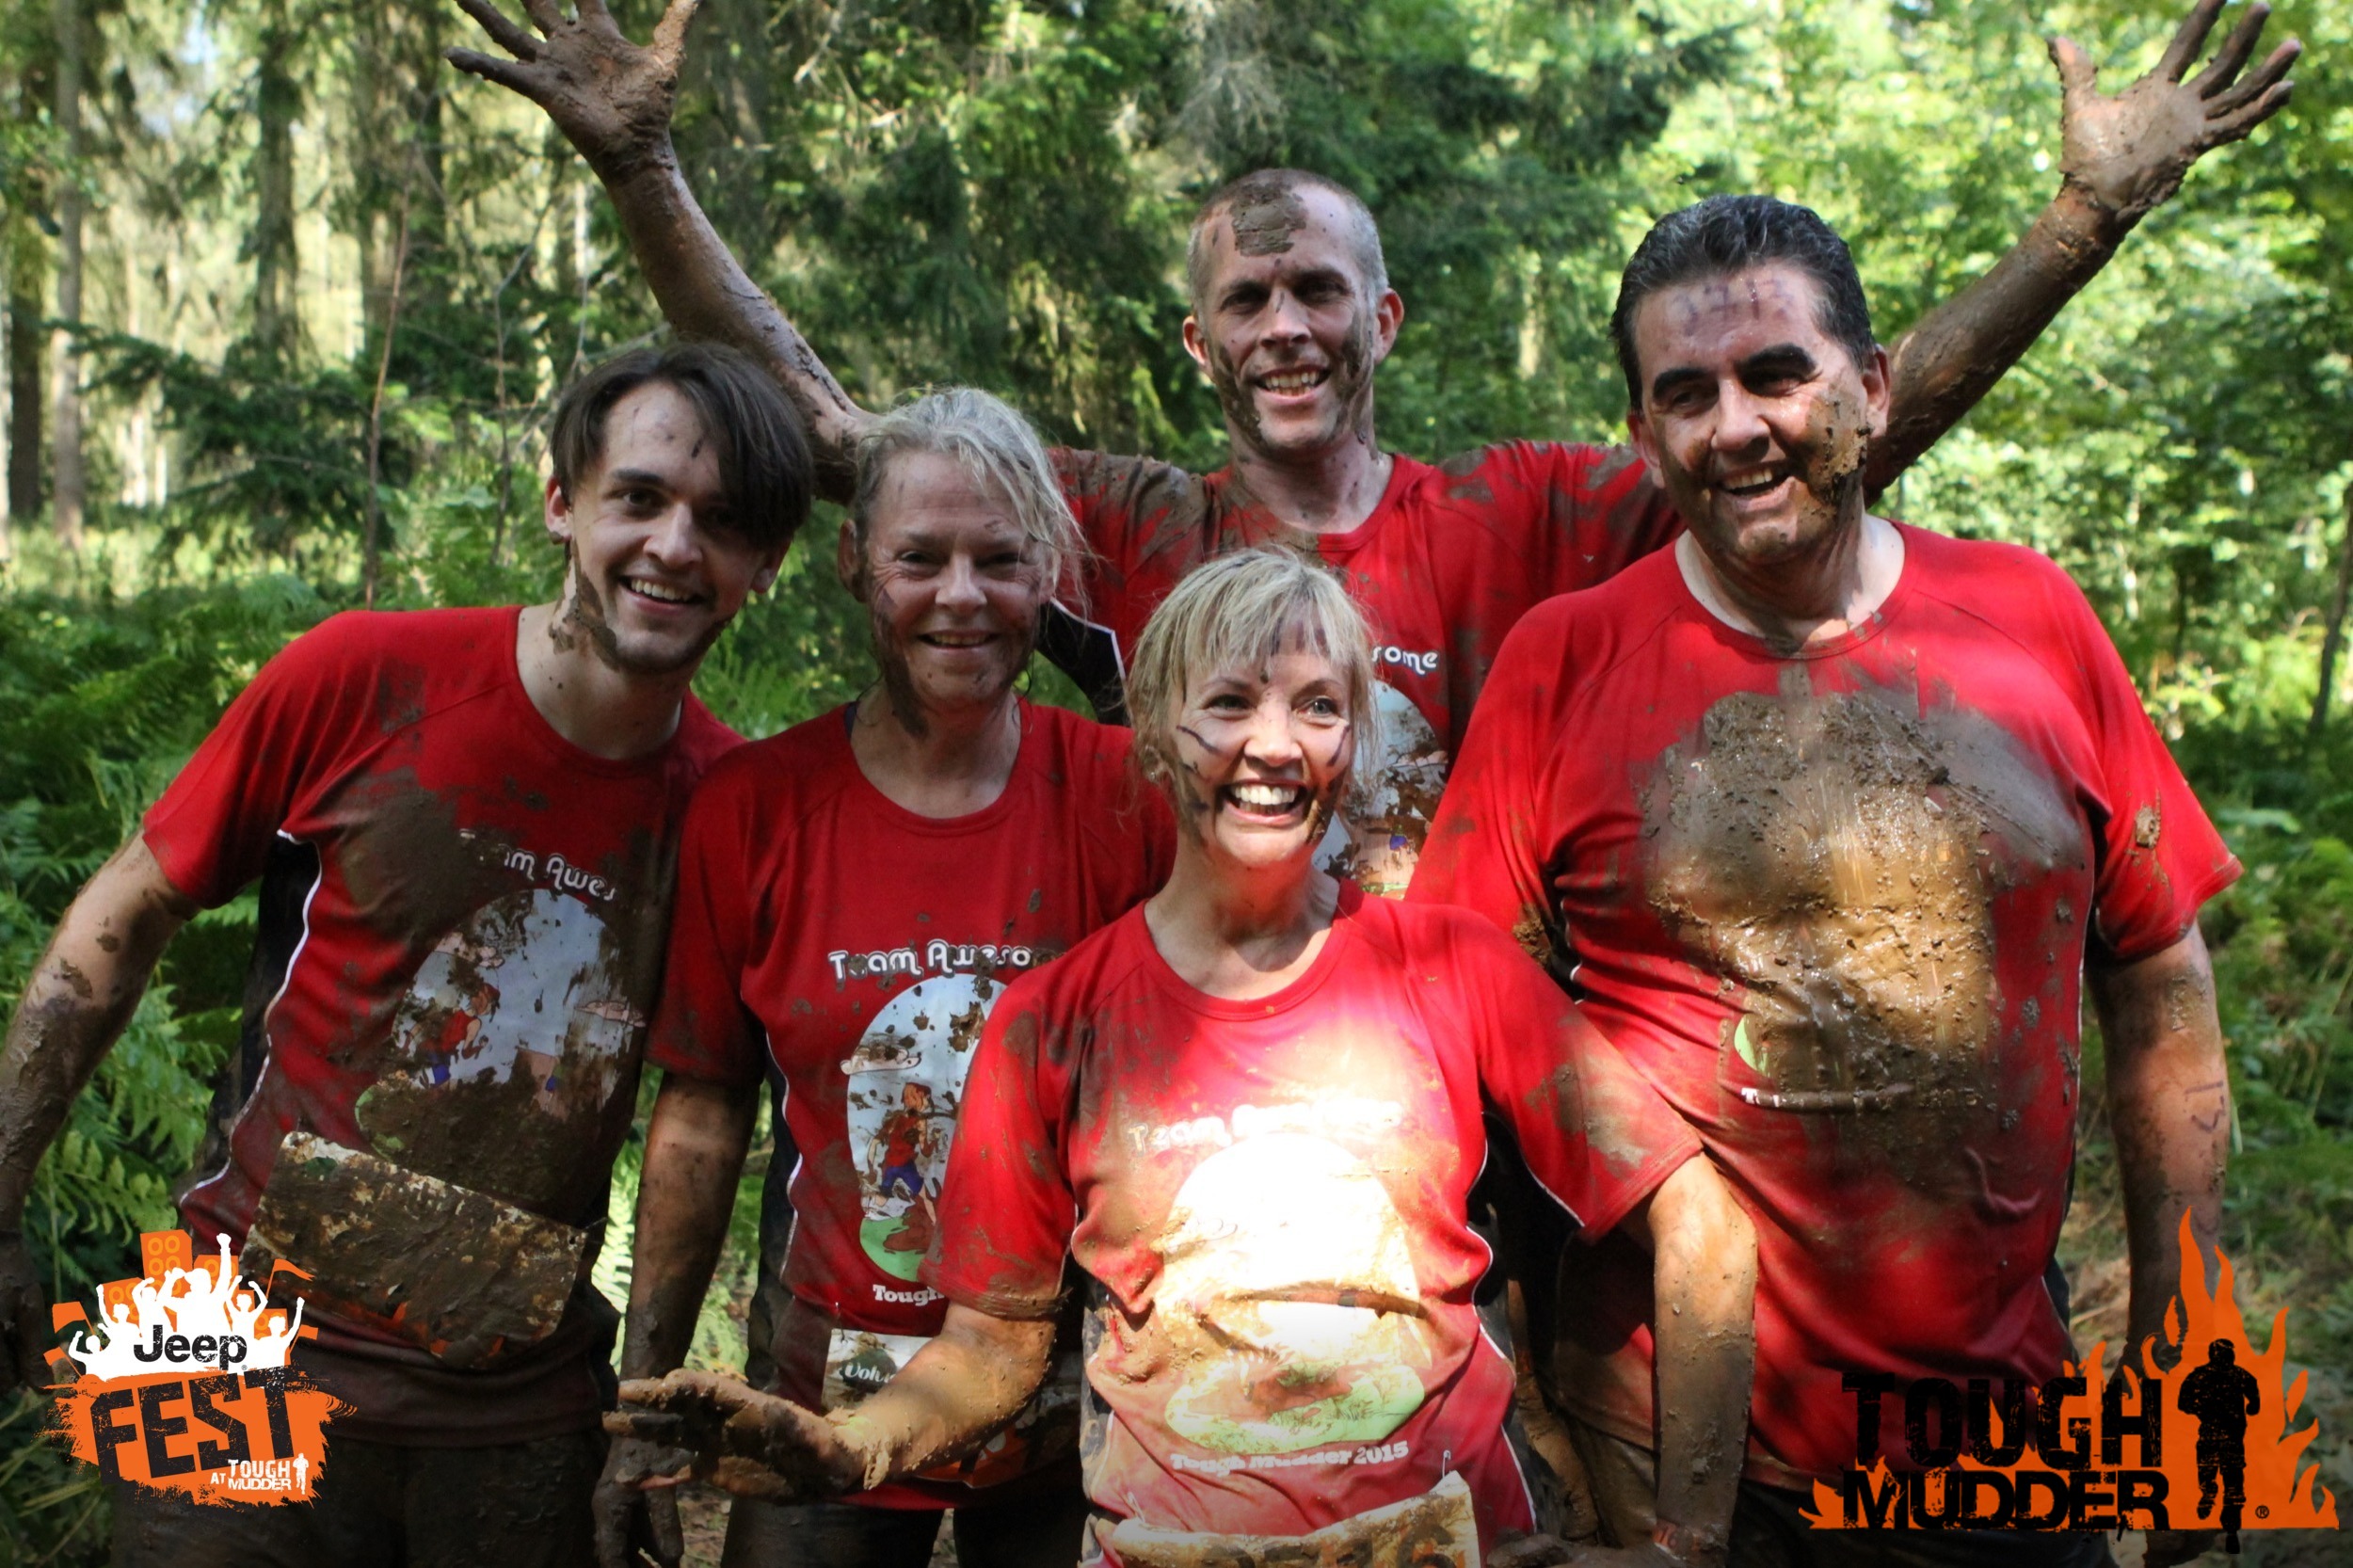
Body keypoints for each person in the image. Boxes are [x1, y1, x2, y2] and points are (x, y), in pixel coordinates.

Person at [448, 0, 2294, 899]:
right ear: (1199, 340)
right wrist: (643, 167)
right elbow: (852, 443)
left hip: (1457, 1068)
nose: (1283, 327)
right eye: (1244, 299)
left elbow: (1809, 444)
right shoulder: (1119, 523)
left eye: (1316, 289)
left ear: (1379, 318)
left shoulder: (1517, 513)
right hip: (1193, 1066)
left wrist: (2077, 221)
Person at [606, 550, 1759, 1568]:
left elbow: (1702, 1226)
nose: (1275, 745)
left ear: (1353, 741)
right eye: (1230, 703)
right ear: (1156, 733)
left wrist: (1687, 1544)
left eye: (1318, 706)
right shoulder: (1054, 1021)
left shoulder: (1447, 966)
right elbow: (988, 1354)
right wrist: (845, 1445)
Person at [1412, 193, 2240, 1568]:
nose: (1734, 426)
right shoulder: (1563, 664)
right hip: (1686, 1474)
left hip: (2007, 1445)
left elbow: (2160, 984)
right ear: (1640, 433)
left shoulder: (2031, 619)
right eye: (1684, 394)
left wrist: (2191, 1408)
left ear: (1871, 383)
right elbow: (1438, 1056)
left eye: (1776, 375)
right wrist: (1519, 1438)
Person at [0, 342, 812, 1566]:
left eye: (725, 521)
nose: (674, 547)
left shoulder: (730, 805)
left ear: (765, 564)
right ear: (562, 503)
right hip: (220, 1331)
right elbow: (124, 912)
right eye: (638, 498)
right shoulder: (363, 676)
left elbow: (701, 1110)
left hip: (516, 1402)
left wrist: (638, 1418)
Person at [603, 388, 1172, 1568]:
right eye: (920, 557)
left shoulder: (1128, 797)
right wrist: (646, 1397)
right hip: (820, 1415)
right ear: (858, 566)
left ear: (1048, 576)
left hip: (1081, 1410)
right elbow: (703, 1112)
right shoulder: (753, 810)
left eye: (999, 559)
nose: (959, 596)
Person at [2178, 1337, 2262, 1550]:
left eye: (2229, 1352)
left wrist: (2253, 1406)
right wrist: (2199, 1409)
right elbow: (2183, 1402)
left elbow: (2254, 1394)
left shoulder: (2235, 1374)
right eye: (2225, 1352)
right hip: (2214, 1434)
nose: (2228, 1356)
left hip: (2230, 1437)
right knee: (2210, 1474)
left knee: (2233, 1483)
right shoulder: (2202, 1375)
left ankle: (2231, 1528)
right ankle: (2209, 1496)